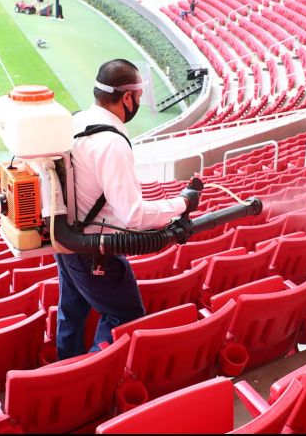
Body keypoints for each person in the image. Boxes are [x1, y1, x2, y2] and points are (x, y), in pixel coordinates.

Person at [54, 59, 199, 360]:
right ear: (127, 97)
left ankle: (65, 364)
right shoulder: (112, 143)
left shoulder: (76, 120)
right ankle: (82, 380)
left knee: (72, 310)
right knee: (126, 316)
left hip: (66, 241)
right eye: (139, 95)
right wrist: (182, 202)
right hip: (95, 250)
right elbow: (133, 215)